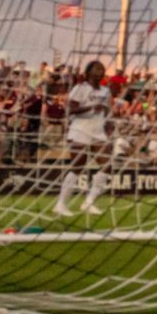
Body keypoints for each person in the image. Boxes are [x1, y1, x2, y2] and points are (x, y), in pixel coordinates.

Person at [53, 61, 112, 219]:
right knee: (78, 166)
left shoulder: (106, 91)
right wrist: (91, 107)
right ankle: (61, 204)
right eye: (96, 68)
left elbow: (106, 112)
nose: (100, 71)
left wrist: (109, 128)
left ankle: (89, 202)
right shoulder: (80, 88)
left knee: (107, 165)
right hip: (80, 129)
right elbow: (70, 110)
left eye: (102, 68)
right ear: (88, 72)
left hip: (98, 130)